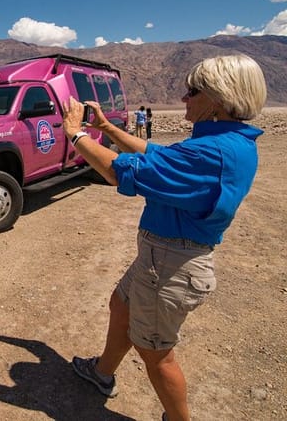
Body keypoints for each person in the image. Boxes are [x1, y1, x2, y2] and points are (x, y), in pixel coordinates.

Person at [61, 54, 266, 421]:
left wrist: (75, 134)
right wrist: (107, 128)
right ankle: (101, 373)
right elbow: (159, 155)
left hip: (171, 266)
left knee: (156, 354)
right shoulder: (231, 143)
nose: (184, 98)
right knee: (120, 305)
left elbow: (116, 171)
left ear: (217, 98)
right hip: (162, 259)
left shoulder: (211, 153)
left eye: (192, 91)